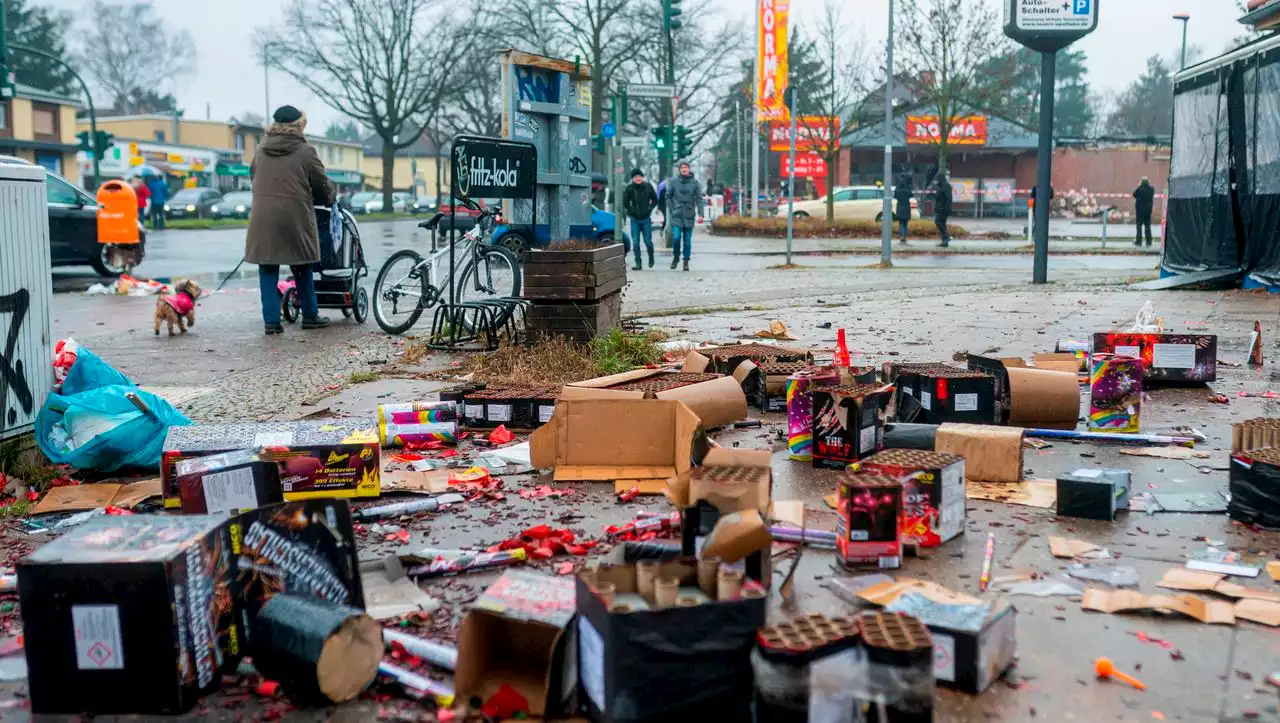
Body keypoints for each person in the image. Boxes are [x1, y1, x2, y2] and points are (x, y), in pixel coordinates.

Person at [244, 105, 336, 335]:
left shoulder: (260, 150)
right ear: (299, 125)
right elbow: (321, 184)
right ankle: (310, 315)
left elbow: (253, 177)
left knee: (267, 267)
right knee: (302, 265)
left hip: (263, 215)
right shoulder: (305, 152)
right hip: (295, 214)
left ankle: (272, 322)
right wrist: (329, 198)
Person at [665, 161, 704, 271]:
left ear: (689, 169)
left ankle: (686, 261)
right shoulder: (673, 182)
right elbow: (668, 196)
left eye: (686, 167)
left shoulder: (695, 183)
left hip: (689, 214)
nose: (684, 169)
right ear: (679, 169)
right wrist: (672, 209)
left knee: (687, 239)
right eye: (682, 167)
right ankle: (676, 256)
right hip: (677, 214)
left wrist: (701, 214)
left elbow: (699, 199)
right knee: (676, 238)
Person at [622, 169, 658, 270]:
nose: (638, 178)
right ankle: (638, 263)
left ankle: (651, 256)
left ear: (642, 177)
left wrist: (650, 208)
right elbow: (625, 203)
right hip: (635, 219)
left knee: (648, 241)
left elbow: (655, 199)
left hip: (646, 218)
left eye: (639, 176)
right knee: (636, 242)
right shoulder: (629, 188)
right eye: (635, 177)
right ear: (632, 179)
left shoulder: (648, 186)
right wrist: (630, 212)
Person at [1133, 177, 1156, 247]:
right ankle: (1149, 241)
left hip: (1140, 211)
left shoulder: (1140, 189)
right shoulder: (1151, 189)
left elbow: (1134, 194)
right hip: (1148, 211)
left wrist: (1139, 186)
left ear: (1142, 182)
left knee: (1139, 225)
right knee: (1147, 226)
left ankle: (1138, 241)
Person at [893, 175, 914, 244]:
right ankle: (904, 236)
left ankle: (902, 236)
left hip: (899, 208)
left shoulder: (897, 190)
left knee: (901, 223)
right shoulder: (907, 190)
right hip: (906, 208)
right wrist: (908, 186)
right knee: (905, 223)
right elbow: (911, 195)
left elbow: (895, 196)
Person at [934, 174, 952, 248]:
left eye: (937, 179)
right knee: (942, 223)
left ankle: (947, 237)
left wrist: (946, 208)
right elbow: (939, 197)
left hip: (944, 208)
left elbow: (948, 198)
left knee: (938, 221)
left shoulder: (946, 186)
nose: (936, 180)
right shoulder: (941, 186)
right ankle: (944, 241)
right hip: (940, 208)